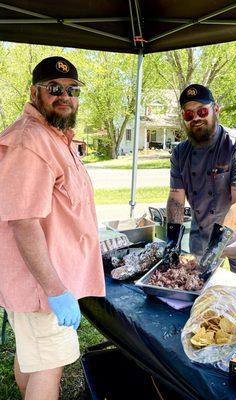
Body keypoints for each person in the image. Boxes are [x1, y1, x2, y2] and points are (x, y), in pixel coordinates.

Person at [0, 56, 105, 400]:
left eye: (72, 89)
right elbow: (23, 221)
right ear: (34, 92)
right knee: (49, 365)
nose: (64, 95)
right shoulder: (30, 141)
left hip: (40, 282)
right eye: (54, 88)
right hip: (40, 285)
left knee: (34, 357)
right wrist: (56, 290)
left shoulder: (53, 135)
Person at [166, 84, 236, 284]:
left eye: (202, 111)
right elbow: (176, 198)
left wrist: (216, 247)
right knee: (197, 298)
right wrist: (172, 240)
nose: (196, 118)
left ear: (216, 109)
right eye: (189, 115)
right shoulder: (180, 153)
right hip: (202, 237)